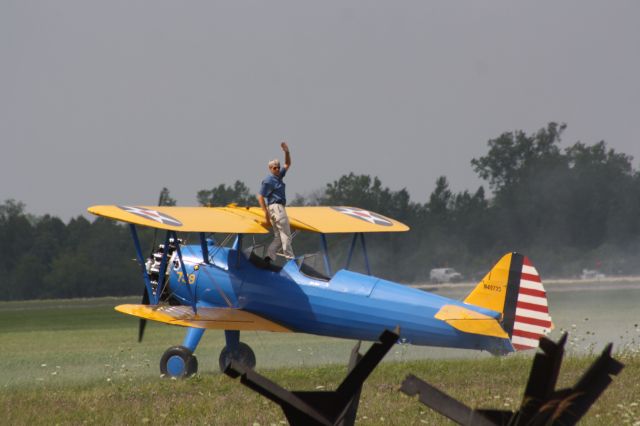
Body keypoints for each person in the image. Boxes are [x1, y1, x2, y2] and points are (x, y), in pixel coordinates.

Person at [258, 142, 294, 262]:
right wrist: (265, 213)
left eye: (278, 167)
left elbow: (288, 164)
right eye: (275, 167)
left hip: (276, 209)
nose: (278, 169)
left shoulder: (279, 176)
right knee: (286, 235)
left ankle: (269, 256)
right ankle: (290, 260)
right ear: (270, 169)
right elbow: (260, 196)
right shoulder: (268, 180)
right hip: (276, 208)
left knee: (278, 237)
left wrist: (287, 152)